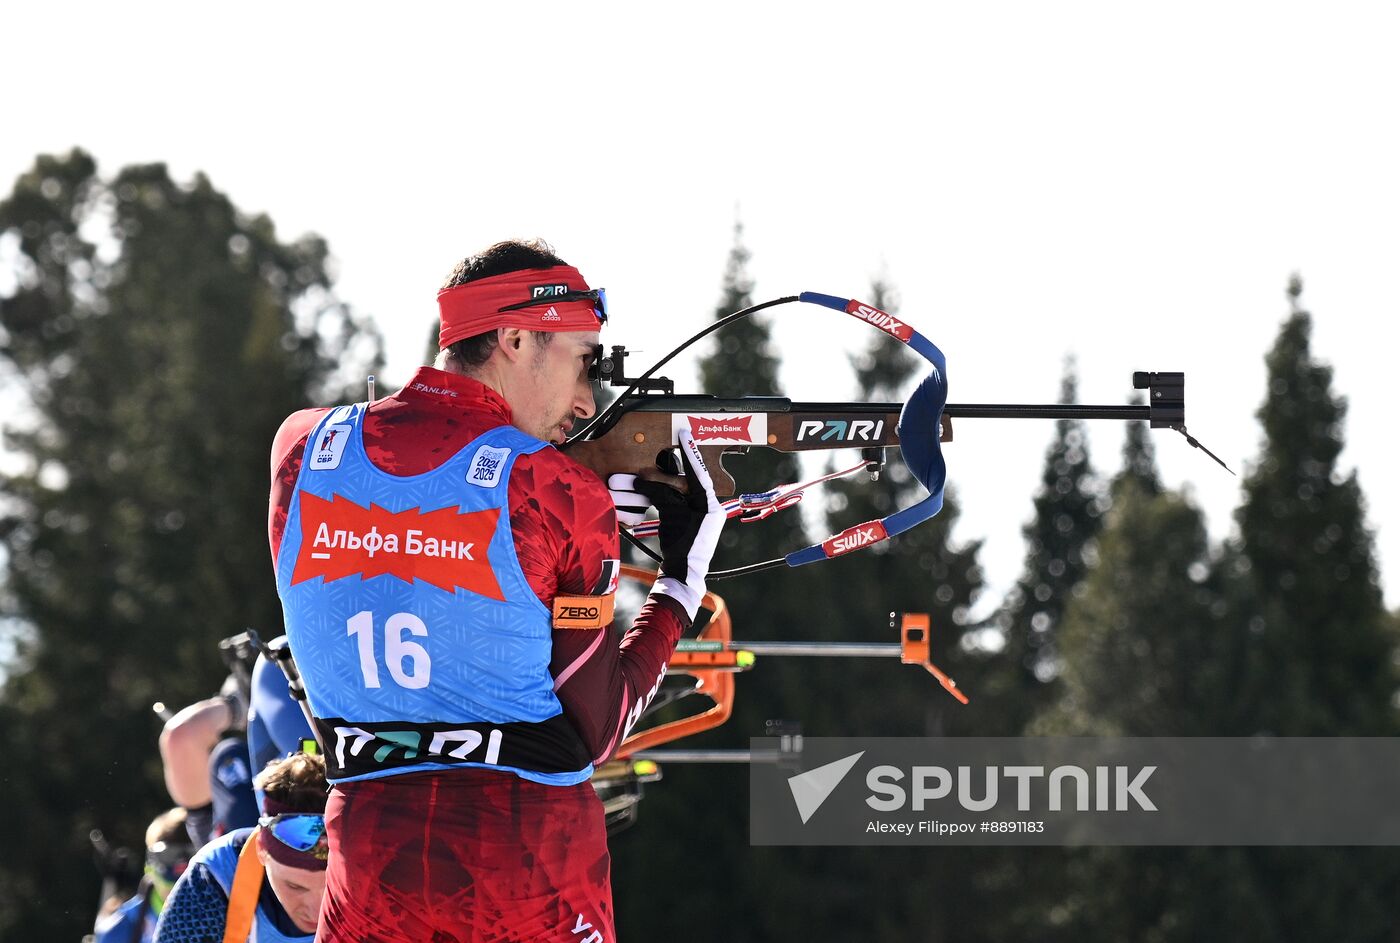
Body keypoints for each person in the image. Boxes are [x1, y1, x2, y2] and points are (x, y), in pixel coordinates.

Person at [267, 239, 725, 941]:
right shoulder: (557, 491)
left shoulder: (303, 451)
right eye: (582, 361)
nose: (585, 400)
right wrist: (680, 582)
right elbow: (598, 729)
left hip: (369, 879)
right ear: (515, 336)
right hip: (526, 880)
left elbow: (423, 538)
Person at [152, 753, 329, 942]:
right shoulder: (212, 883)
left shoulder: (364, 866)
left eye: (331, 887)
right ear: (261, 849)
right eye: (295, 886)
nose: (316, 910)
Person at [158, 687, 260, 848]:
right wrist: (234, 707)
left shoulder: (208, 822)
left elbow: (180, 737)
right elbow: (180, 736)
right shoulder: (209, 828)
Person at [92, 808, 192, 943]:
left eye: (192, 856)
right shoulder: (120, 931)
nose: (179, 869)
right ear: (150, 866)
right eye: (167, 858)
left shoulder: (226, 914)